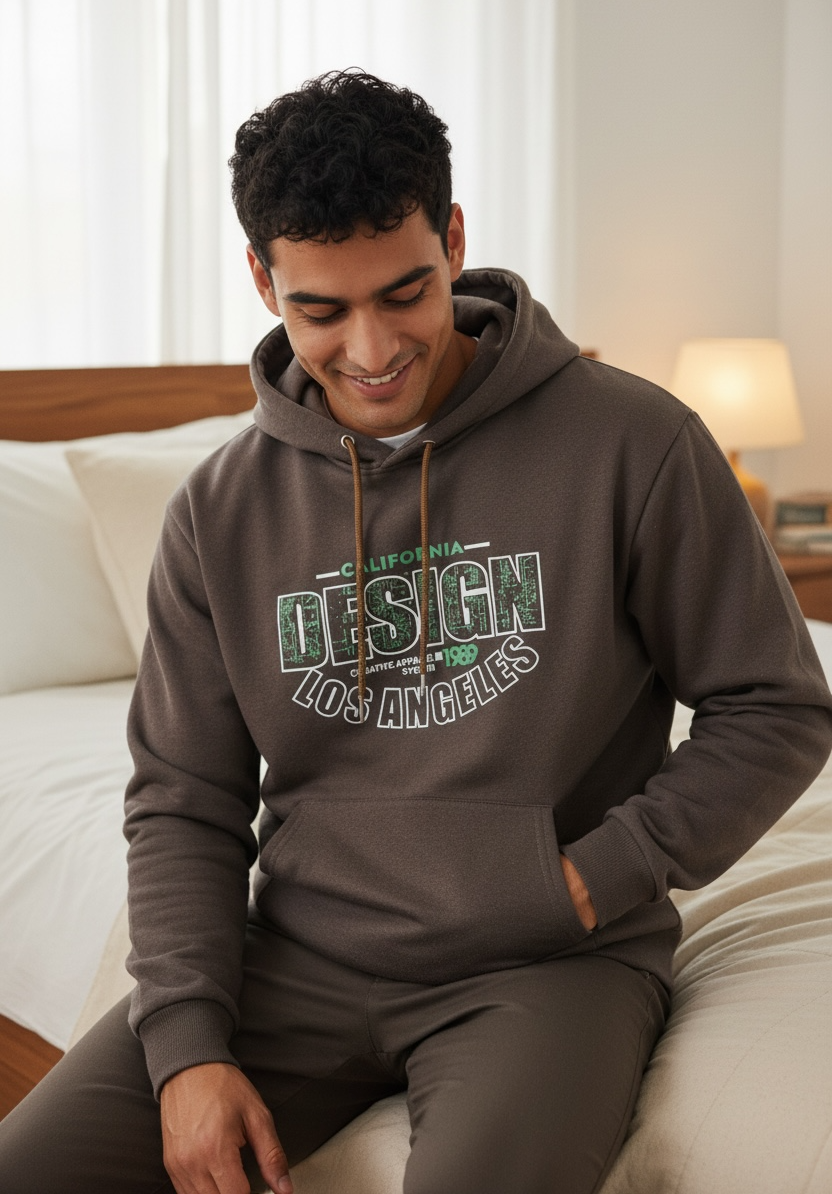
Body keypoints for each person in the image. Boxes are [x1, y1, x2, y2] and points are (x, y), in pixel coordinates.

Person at [1, 68, 831, 1194]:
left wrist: (593, 877)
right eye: (321, 310)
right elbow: (185, 799)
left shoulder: (632, 442)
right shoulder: (219, 511)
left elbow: (776, 705)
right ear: (262, 281)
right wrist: (188, 1046)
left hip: (547, 960)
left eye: (406, 292)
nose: (372, 347)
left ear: (453, 240)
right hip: (293, 962)